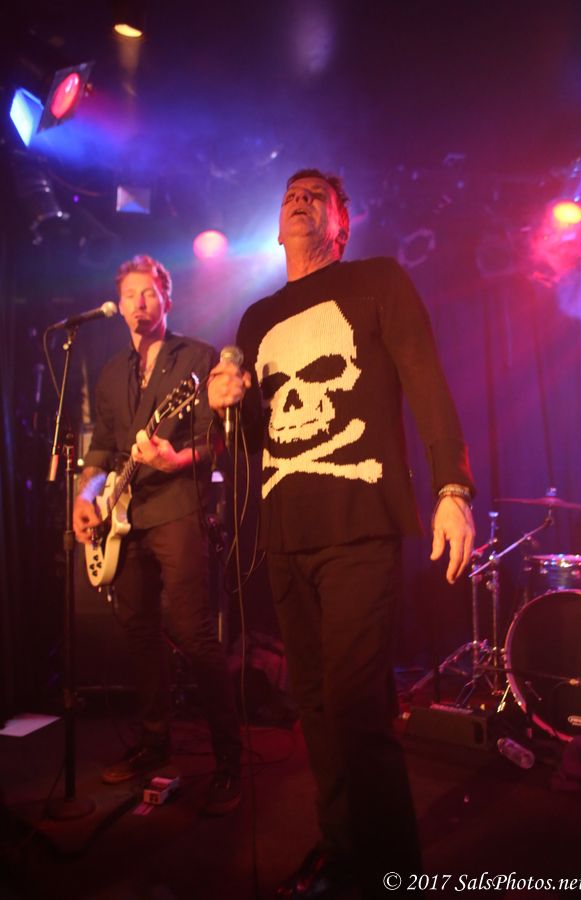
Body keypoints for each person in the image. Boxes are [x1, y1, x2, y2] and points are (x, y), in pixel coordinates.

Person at [208, 170, 476, 897]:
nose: (299, 200)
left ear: (342, 223)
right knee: (317, 710)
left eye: (315, 195)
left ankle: (393, 873)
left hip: (360, 525)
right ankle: (343, 855)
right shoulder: (255, 321)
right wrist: (227, 406)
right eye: (289, 195)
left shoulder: (377, 281)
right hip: (285, 536)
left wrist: (453, 490)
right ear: (276, 227)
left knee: (358, 707)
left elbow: (426, 381)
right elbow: (257, 439)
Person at [73, 254, 241, 814]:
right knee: (139, 631)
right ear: (119, 305)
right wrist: (85, 497)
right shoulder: (109, 373)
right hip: (124, 519)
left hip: (176, 508)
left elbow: (215, 440)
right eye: (130, 295)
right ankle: (154, 742)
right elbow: (102, 450)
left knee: (193, 633)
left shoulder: (195, 357)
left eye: (148, 293)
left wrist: (175, 460)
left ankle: (229, 757)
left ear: (167, 298)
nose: (139, 304)